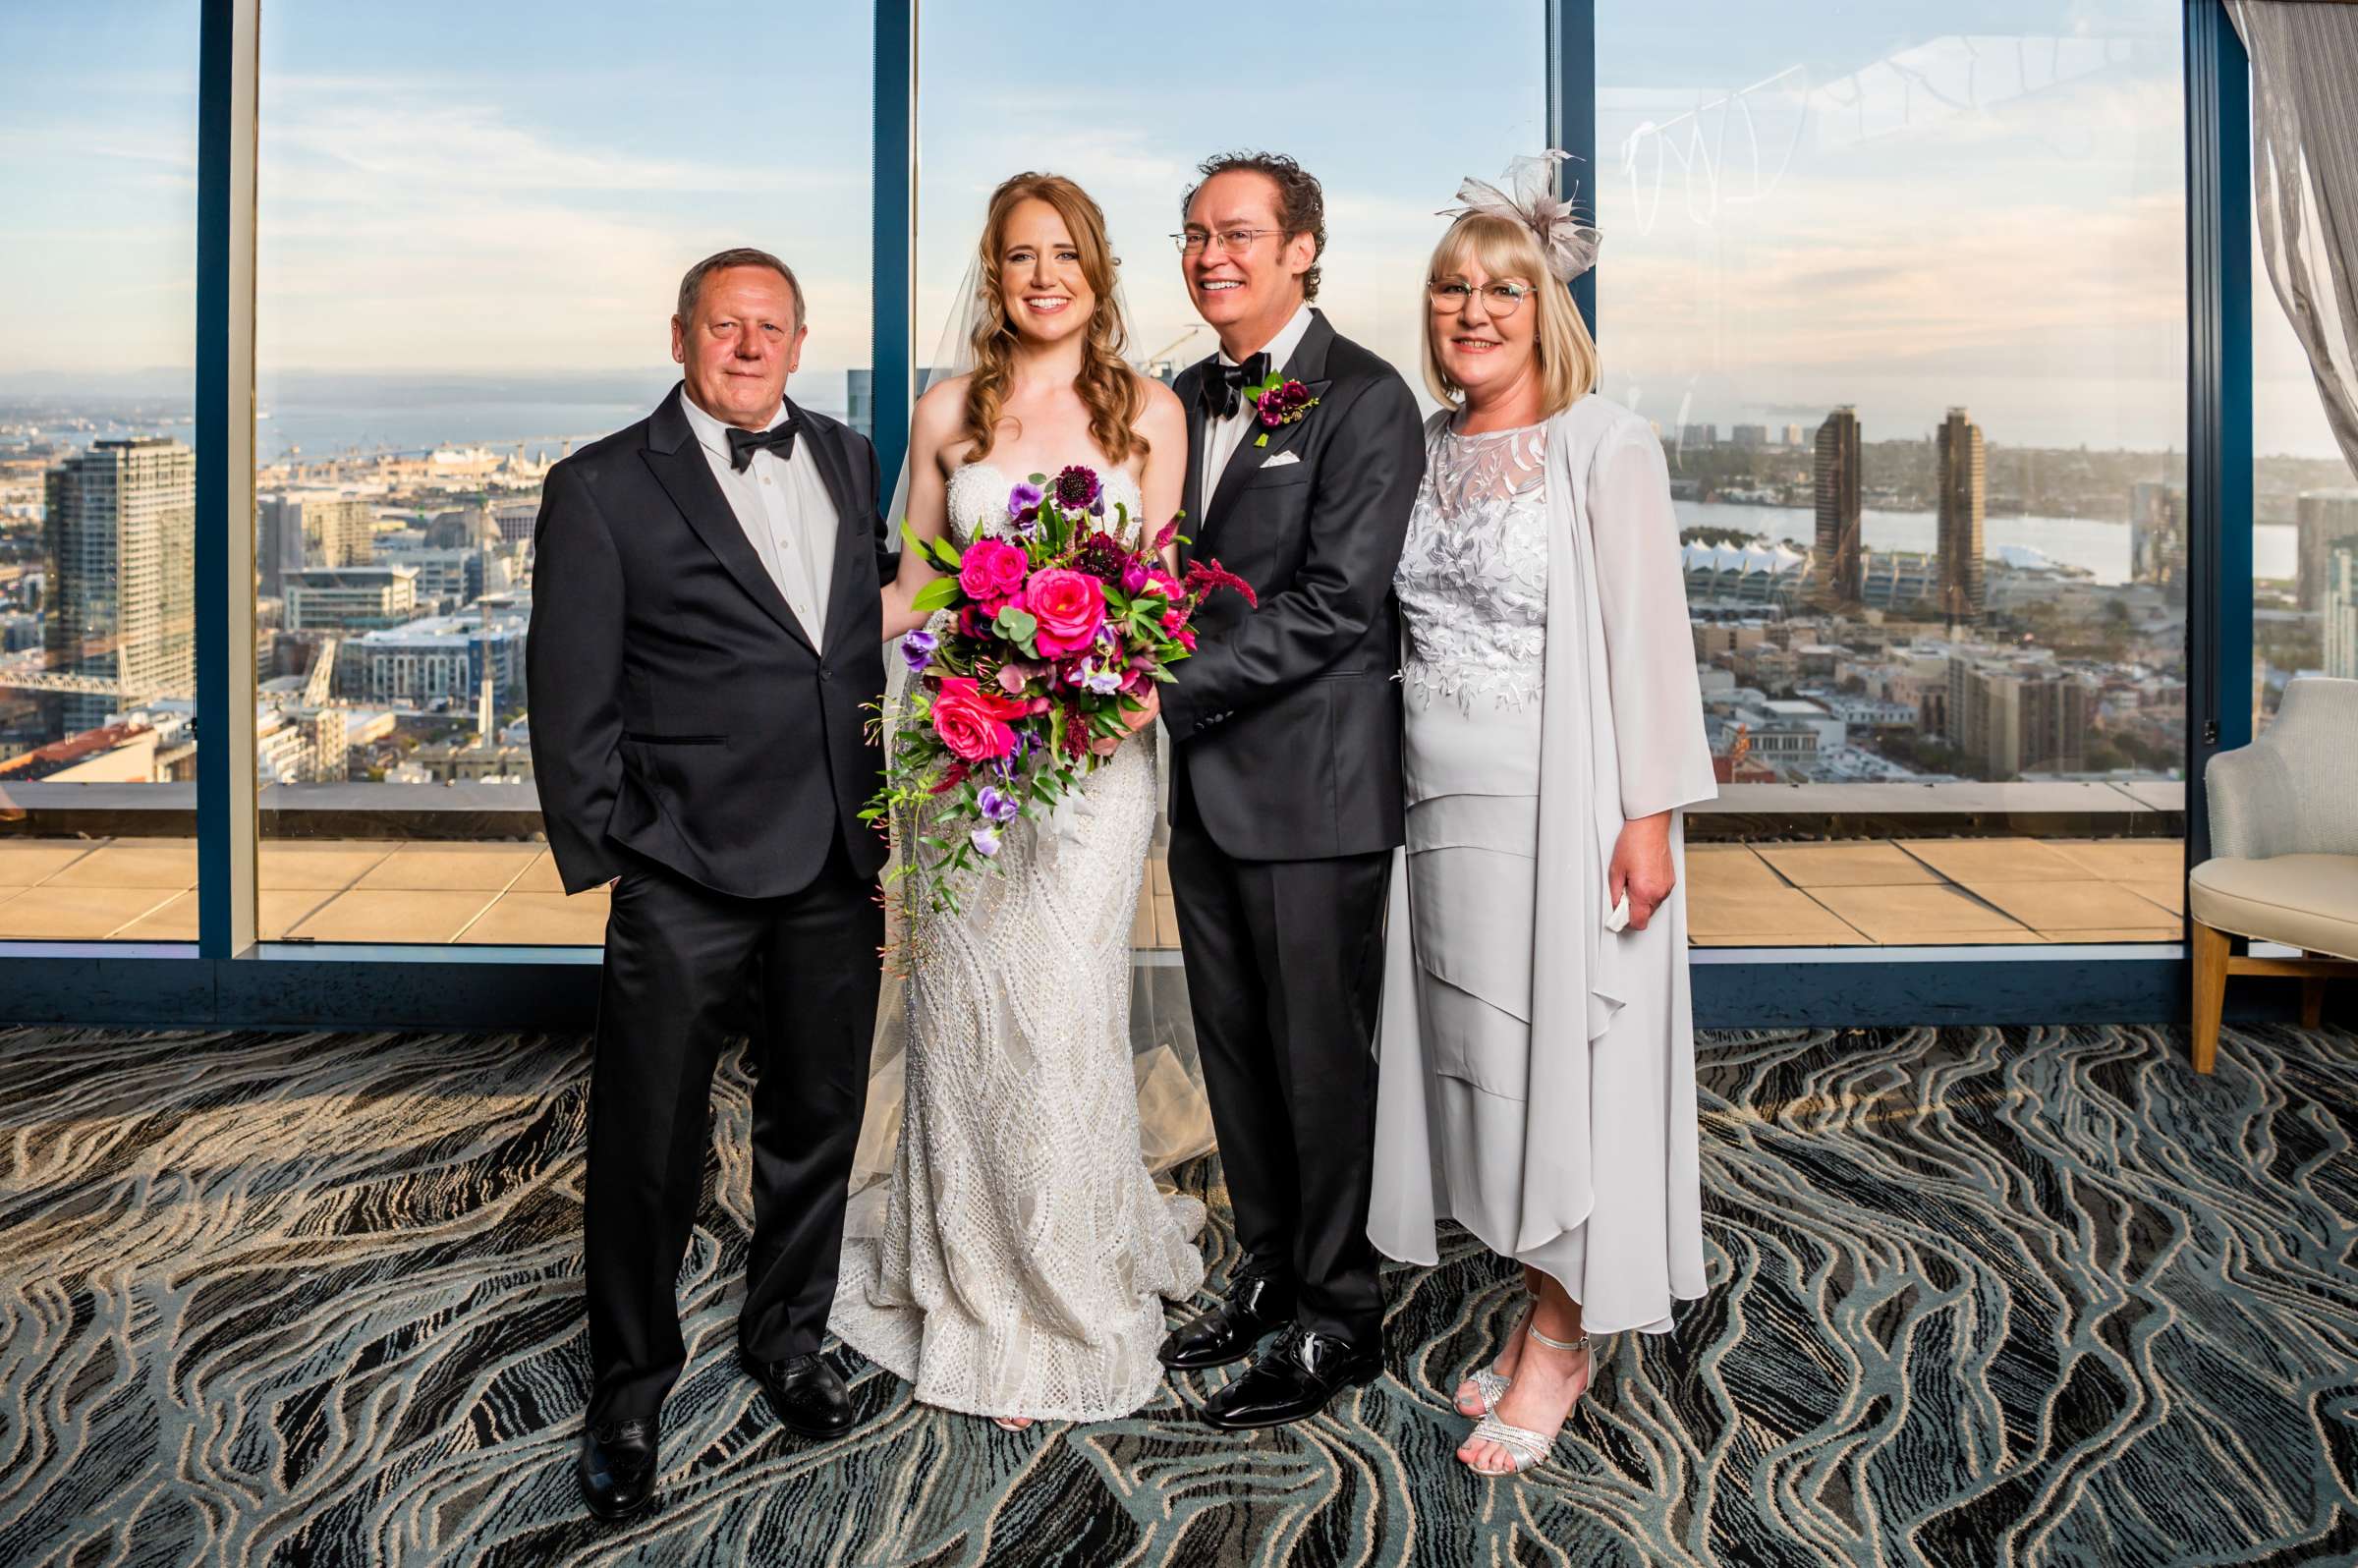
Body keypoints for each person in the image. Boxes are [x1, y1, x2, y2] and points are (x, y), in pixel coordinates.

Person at [828, 172, 1205, 1429]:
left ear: (1097, 270)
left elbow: (1157, 595)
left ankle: (1069, 1275)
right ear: (991, 277)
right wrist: (802, 655)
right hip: (962, 754)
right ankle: (968, 1278)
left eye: (1064, 254)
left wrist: (1102, 678)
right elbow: (922, 583)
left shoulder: (1152, 410)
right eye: (1018, 257)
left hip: (1094, 770)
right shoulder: (949, 409)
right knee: (965, 1012)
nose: (1042, 276)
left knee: (1056, 1010)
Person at [1366, 154, 1717, 1478]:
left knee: (1569, 1066)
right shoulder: (1434, 445)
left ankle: (1563, 1340)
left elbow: (1649, 641)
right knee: (1490, 1075)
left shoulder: (1604, 443)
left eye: (1501, 288)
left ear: (1545, 307)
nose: (1472, 309)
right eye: (1452, 287)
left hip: (1563, 810)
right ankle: (1535, 1310)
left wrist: (1650, 817)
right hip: (1438, 808)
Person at [527, 247, 889, 1521]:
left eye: (770, 328)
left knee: (815, 1120)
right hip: (683, 868)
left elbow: (861, 652)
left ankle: (787, 1337)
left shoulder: (852, 460)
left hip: (838, 862)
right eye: (724, 326)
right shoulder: (600, 488)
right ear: (679, 337)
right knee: (647, 1145)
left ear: (799, 341)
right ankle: (627, 1389)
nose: (748, 347)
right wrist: (628, 849)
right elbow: (569, 703)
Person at [1153, 151, 1425, 1430]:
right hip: (1206, 795)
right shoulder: (1174, 396)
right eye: (1196, 235)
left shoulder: (1366, 400)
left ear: (1305, 248)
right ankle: (1267, 1269)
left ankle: (1341, 1318)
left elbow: (1334, 605)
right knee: (1237, 1056)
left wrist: (1159, 682)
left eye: (1241, 233)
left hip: (1314, 796)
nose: (1213, 254)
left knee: (1321, 1066)